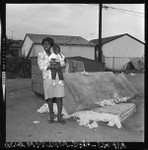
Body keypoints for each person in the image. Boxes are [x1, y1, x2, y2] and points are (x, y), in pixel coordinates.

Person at [37, 37, 66, 124]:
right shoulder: (40, 55)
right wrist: (51, 66)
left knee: (59, 98)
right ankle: (51, 116)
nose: (46, 46)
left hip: (57, 78)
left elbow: (62, 63)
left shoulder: (56, 53)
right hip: (47, 78)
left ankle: (60, 117)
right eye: (44, 44)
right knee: (50, 98)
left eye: (48, 44)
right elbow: (41, 67)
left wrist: (59, 65)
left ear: (51, 45)